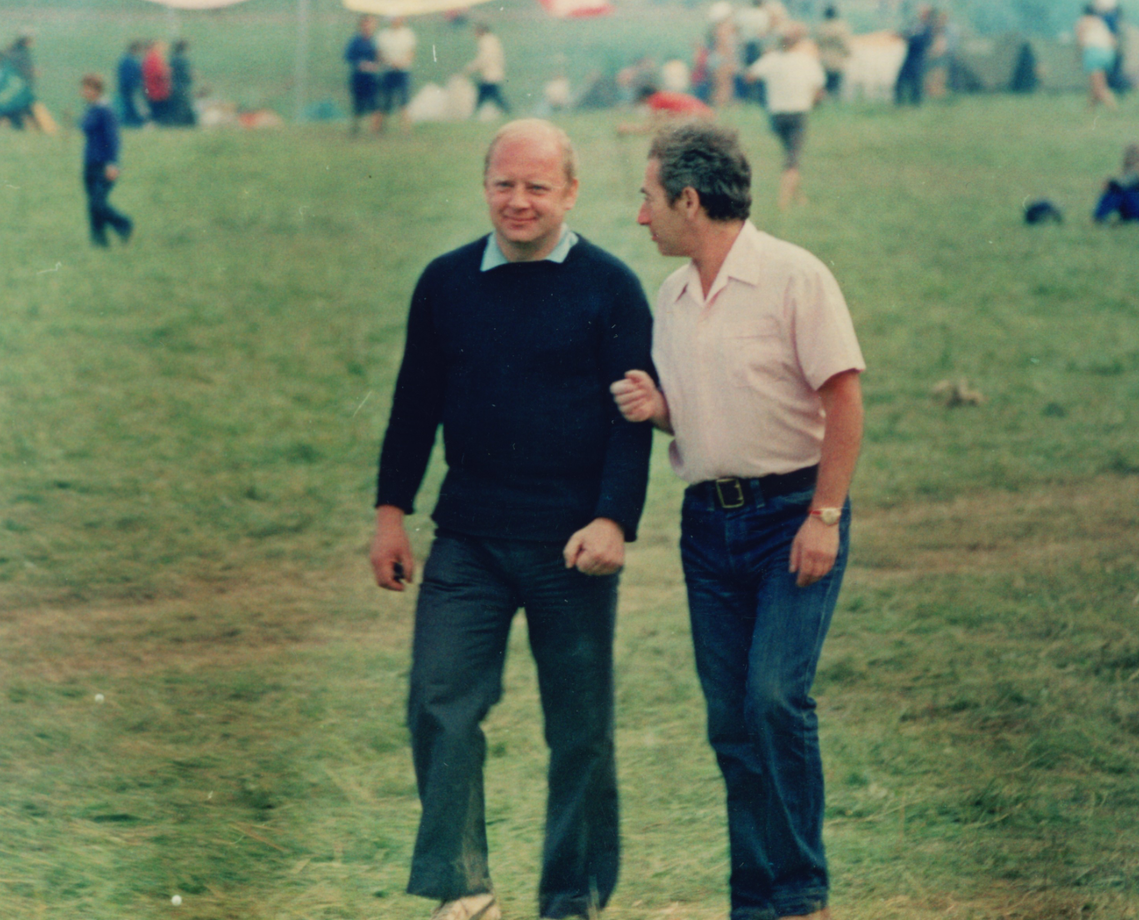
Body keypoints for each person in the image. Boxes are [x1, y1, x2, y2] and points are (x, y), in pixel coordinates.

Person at [369, 119, 654, 920]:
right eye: (504, 183)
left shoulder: (610, 287)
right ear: (484, 183)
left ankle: (572, 898)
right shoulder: (445, 282)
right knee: (438, 701)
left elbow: (632, 421)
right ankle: (465, 893)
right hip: (468, 538)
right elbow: (412, 406)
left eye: (537, 187)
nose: (518, 201)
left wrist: (612, 522)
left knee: (582, 732)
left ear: (569, 192)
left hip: (572, 545)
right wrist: (391, 514)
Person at [613, 121, 864, 920]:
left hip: (793, 518)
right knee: (730, 723)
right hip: (707, 528)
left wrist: (823, 517)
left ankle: (801, 896)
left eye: (649, 199)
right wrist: (660, 410)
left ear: (690, 199)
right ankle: (755, 902)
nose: (640, 216)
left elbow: (844, 400)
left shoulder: (795, 277)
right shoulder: (673, 295)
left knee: (773, 699)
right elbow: (703, 413)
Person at [745, 23, 826, 209]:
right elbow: (819, 87)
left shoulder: (771, 59)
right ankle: (784, 202)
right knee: (792, 159)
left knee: (789, 154)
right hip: (798, 112)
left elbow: (750, 76)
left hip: (776, 114)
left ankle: (799, 197)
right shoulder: (806, 60)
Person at [79, 74, 133, 248]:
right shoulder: (92, 109)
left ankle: (124, 224)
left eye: (86, 88)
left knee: (97, 203)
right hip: (89, 163)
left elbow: (113, 139)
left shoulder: (106, 111)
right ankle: (99, 241)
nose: (83, 92)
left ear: (96, 90)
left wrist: (113, 163)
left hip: (104, 165)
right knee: (93, 205)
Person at [616, 83, 714, 135]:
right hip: (707, 117)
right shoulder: (664, 96)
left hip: (697, 119)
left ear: (645, 98)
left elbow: (652, 128)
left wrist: (628, 129)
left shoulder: (656, 99)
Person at [376, 16, 416, 133]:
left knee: (404, 100)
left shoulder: (408, 34)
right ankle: (380, 128)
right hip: (388, 70)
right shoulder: (383, 35)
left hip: (403, 71)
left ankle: (406, 128)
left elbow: (411, 52)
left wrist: (401, 63)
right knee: (386, 100)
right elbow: (379, 53)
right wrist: (390, 62)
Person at [345, 15, 382, 135]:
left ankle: (375, 130)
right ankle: (355, 128)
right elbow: (348, 56)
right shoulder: (356, 41)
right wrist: (360, 63)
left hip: (371, 76)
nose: (368, 26)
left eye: (370, 24)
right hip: (359, 76)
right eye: (365, 24)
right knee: (358, 103)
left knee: (374, 103)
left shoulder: (375, 41)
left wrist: (376, 63)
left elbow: (379, 57)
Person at [1076, 4, 1118, 108]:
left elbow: (1081, 40)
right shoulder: (1100, 22)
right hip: (1108, 53)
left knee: (1099, 86)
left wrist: (1079, 56)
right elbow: (1112, 40)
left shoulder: (1083, 21)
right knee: (1096, 84)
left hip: (1093, 52)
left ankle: (1112, 107)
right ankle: (1090, 109)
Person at [465, 23, 510, 116]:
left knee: (491, 96)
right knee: (490, 96)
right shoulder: (492, 40)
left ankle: (473, 114)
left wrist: (470, 68)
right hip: (492, 73)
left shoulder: (486, 41)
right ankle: (508, 112)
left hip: (490, 74)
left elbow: (484, 58)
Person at [894, 4, 934, 106]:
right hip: (909, 57)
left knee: (916, 82)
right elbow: (907, 33)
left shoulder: (929, 28)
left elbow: (922, 41)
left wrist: (907, 38)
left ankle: (916, 104)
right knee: (900, 80)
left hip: (919, 58)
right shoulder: (916, 25)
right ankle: (899, 103)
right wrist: (900, 35)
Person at [1093, 142, 1139, 222]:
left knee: (1116, 192)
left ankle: (1099, 216)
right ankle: (1099, 216)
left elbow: (1124, 183)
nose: (1130, 159)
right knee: (1116, 192)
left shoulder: (1134, 174)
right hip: (1132, 206)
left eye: (1133, 156)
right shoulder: (1128, 173)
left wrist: (1111, 183)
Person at [815, 5, 852, 98]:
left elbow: (817, 43)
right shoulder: (841, 27)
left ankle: (826, 97)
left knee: (826, 81)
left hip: (824, 58)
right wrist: (848, 53)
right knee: (836, 81)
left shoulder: (821, 27)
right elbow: (845, 43)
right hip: (837, 58)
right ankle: (835, 97)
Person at [116, 41, 147, 127]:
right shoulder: (132, 61)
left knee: (127, 105)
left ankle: (128, 122)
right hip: (132, 87)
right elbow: (135, 74)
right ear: (135, 49)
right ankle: (133, 122)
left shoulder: (124, 59)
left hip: (125, 86)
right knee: (133, 104)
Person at [142, 40, 173, 124]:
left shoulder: (149, 57)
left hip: (152, 87)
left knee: (156, 106)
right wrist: (168, 72)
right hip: (157, 88)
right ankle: (158, 123)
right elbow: (158, 73)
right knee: (159, 108)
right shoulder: (154, 58)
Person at [168, 40, 196, 127]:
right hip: (183, 86)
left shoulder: (173, 58)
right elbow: (186, 74)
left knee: (177, 106)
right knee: (183, 106)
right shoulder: (183, 59)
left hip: (174, 85)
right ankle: (183, 124)